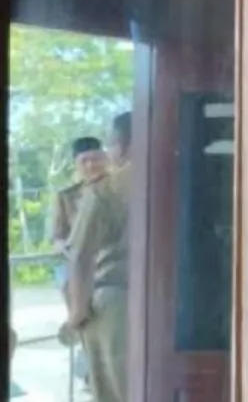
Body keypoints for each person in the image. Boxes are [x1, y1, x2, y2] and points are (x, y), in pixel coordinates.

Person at [64, 112, 131, 402]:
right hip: (175, 305)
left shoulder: (106, 189)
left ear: (122, 145)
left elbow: (80, 256)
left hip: (114, 301)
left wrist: (77, 314)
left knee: (115, 390)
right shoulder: (182, 178)